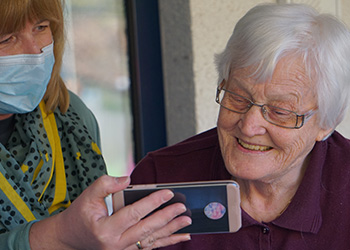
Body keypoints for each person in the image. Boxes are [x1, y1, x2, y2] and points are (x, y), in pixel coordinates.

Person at [130, 3, 350, 250]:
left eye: (280, 111)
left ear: (327, 122)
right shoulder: (162, 179)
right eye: (237, 97)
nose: (248, 126)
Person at [0, 0, 192, 249]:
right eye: (5, 39)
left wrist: (123, 239)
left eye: (41, 27)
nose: (36, 50)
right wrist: (60, 234)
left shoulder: (69, 115)